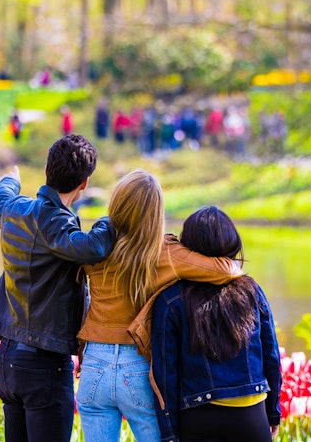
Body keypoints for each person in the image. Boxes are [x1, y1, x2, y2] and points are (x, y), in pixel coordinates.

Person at [76, 170, 243, 442]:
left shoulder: (93, 248)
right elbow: (226, 270)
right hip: (138, 367)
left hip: (94, 363)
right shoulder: (166, 253)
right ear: (156, 213)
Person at [0, 134, 117, 442]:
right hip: (43, 365)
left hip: (9, 359)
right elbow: (93, 247)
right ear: (84, 182)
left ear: (46, 169)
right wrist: (114, 216)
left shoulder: (14, 209)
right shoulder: (56, 223)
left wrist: (9, 180)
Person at [151, 206, 283, 442]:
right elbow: (271, 356)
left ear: (188, 246)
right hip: (251, 414)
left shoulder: (170, 299)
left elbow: (165, 374)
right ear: (232, 242)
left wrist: (169, 433)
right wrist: (273, 413)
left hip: (198, 416)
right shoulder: (252, 291)